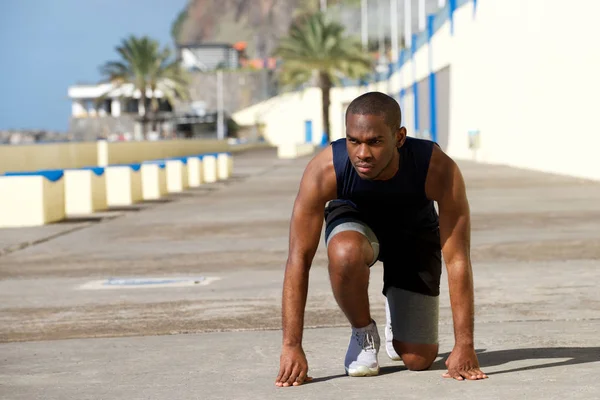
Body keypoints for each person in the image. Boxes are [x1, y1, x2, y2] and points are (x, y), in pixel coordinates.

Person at [275, 92, 488, 387]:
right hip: (355, 225)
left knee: (418, 359)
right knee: (344, 252)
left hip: (413, 234)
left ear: (399, 137)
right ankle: (363, 331)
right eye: (353, 141)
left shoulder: (436, 169)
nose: (362, 153)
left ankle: (397, 312)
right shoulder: (325, 170)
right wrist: (291, 346)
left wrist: (464, 344)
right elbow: (298, 258)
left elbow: (457, 259)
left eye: (375, 142)